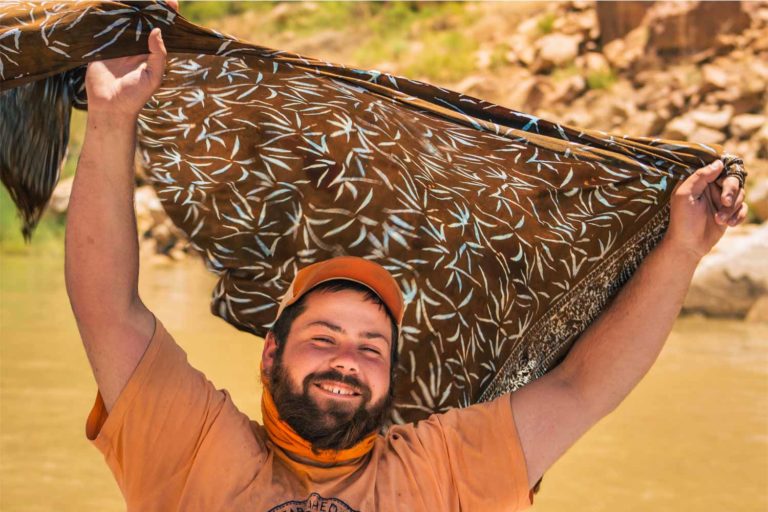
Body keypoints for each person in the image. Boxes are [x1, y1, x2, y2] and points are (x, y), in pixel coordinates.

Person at [65, 25, 749, 511]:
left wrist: (681, 252)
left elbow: (579, 390)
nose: (347, 359)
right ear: (271, 349)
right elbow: (109, 309)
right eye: (324, 338)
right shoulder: (191, 450)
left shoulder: (441, 468)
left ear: (394, 373)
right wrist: (111, 117)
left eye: (371, 346)